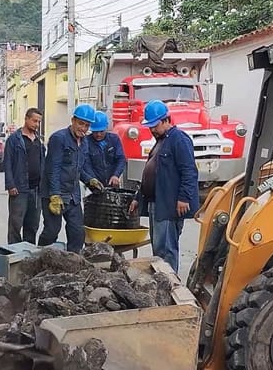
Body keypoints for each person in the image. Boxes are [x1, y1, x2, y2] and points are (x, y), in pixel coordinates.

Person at [129, 100, 199, 274]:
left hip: (168, 205)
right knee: (158, 248)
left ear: (167, 120)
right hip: (156, 203)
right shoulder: (160, 141)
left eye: (155, 125)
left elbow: (189, 172)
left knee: (166, 250)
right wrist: (139, 198)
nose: (152, 129)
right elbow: (151, 173)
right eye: (150, 126)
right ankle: (161, 280)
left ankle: (169, 284)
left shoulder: (179, 140)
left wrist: (183, 198)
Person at [38, 103, 102, 254]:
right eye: (81, 123)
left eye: (87, 125)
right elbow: (52, 168)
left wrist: (90, 180)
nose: (83, 128)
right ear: (73, 121)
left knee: (77, 232)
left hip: (73, 195)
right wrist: (54, 195)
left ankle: (73, 262)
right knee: (52, 231)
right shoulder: (58, 139)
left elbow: (79, 168)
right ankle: (39, 255)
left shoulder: (84, 141)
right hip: (55, 193)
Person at [4, 107, 45, 244]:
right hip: (19, 189)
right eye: (34, 121)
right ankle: (13, 255)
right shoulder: (14, 140)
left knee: (32, 225)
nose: (36, 125)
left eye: (39, 122)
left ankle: (28, 255)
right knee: (15, 224)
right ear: (26, 119)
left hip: (36, 190)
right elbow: (8, 163)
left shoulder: (39, 140)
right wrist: (10, 184)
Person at [82, 111, 125, 188]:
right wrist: (93, 180)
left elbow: (121, 159)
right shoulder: (86, 142)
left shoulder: (114, 139)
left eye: (101, 131)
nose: (98, 134)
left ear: (106, 128)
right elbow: (86, 163)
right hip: (94, 185)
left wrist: (116, 175)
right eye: (95, 132)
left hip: (112, 183)